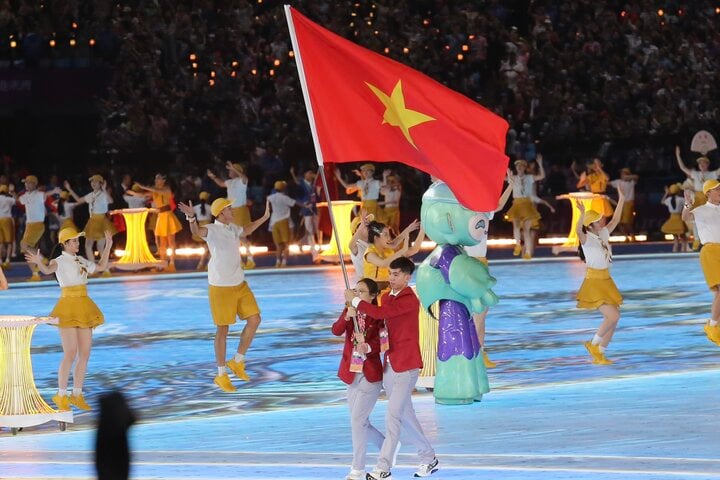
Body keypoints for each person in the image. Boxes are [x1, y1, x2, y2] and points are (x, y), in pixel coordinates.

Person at [345, 257, 439, 480]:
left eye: (397, 275)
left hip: (406, 366)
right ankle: (428, 458)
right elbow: (378, 323)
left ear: (407, 277)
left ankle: (383, 468)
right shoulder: (386, 296)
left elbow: (380, 314)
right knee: (406, 417)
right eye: (390, 273)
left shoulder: (409, 300)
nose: (392, 278)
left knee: (393, 416)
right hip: (389, 364)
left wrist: (357, 301)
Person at [177, 197, 270, 392]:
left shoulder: (232, 227)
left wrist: (264, 217)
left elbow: (247, 229)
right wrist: (191, 217)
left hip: (239, 283)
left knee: (255, 319)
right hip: (220, 286)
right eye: (229, 208)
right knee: (223, 330)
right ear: (220, 213)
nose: (232, 210)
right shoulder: (211, 230)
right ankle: (221, 374)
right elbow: (196, 232)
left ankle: (237, 361)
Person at [25, 227, 113, 411]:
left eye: (78, 241)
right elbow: (48, 270)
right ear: (65, 244)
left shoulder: (80, 260)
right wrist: (39, 262)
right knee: (70, 352)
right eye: (74, 241)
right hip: (67, 306)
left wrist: (108, 246)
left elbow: (101, 267)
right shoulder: (59, 261)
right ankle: (61, 394)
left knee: (85, 353)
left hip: (84, 304)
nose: (77, 244)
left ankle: (76, 394)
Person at [332, 278, 385, 480]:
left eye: (361, 291)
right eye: (355, 290)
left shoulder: (378, 316)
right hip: (351, 371)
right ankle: (386, 445)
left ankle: (358, 468)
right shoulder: (349, 312)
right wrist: (347, 317)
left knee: (357, 419)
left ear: (372, 296)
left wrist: (369, 347)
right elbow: (335, 330)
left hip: (370, 373)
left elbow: (384, 343)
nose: (356, 294)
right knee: (359, 421)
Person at [463, 180, 513, 368]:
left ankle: (479, 353)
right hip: (467, 265)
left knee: (482, 312)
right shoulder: (462, 213)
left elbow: (498, 205)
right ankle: (474, 353)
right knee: (474, 312)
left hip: (481, 264)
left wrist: (511, 186)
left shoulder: (484, 211)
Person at [576, 188, 626, 365]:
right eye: (598, 220)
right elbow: (578, 230)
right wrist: (582, 214)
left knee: (615, 317)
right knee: (613, 317)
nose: (602, 220)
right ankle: (593, 343)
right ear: (591, 225)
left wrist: (621, 199)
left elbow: (616, 219)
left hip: (606, 280)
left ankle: (600, 353)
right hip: (594, 282)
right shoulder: (587, 239)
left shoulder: (603, 233)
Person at [681, 180, 720, 346]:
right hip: (710, 251)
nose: (719, 191)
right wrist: (687, 203)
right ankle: (712, 326)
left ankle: (714, 326)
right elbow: (685, 217)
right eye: (717, 189)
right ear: (708, 193)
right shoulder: (702, 209)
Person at [207, 161, 256, 269]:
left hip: (241, 210)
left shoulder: (241, 181)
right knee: (234, 236)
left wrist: (234, 168)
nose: (229, 171)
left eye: (230, 170)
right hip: (231, 211)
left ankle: (250, 260)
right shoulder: (230, 182)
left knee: (241, 236)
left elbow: (245, 177)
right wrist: (213, 177)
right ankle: (241, 261)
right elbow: (221, 183)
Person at [133, 174, 182, 272]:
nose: (156, 180)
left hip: (168, 216)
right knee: (162, 242)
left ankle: (172, 263)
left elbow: (157, 191)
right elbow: (143, 195)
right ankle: (163, 264)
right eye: (155, 178)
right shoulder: (154, 190)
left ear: (163, 180)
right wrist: (131, 193)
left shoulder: (166, 188)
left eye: (158, 178)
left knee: (171, 241)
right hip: (161, 216)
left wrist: (143, 187)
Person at [676, 146, 720, 250]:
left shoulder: (712, 174)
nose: (702, 165)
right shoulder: (695, 174)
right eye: (700, 163)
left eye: (704, 163)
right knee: (695, 220)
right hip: (698, 198)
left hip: (709, 198)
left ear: (707, 164)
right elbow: (683, 168)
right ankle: (697, 239)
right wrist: (678, 155)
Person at [64, 175, 116, 264]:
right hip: (92, 221)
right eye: (92, 182)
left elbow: (111, 201)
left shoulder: (103, 194)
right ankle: (95, 268)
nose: (93, 183)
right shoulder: (90, 195)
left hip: (101, 221)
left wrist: (104, 189)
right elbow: (79, 200)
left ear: (101, 184)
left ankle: (105, 269)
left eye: (96, 182)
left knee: (100, 247)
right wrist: (70, 189)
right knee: (88, 246)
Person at [18, 175, 60, 281]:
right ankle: (35, 275)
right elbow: (19, 200)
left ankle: (43, 259)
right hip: (29, 226)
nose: (26, 184)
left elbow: (45, 194)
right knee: (28, 251)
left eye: (28, 182)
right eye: (25, 183)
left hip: (36, 225)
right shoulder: (26, 195)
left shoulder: (39, 194)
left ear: (34, 184)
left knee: (24, 245)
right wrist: (12, 193)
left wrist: (54, 190)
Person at [363, 220, 423, 291]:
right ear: (376, 238)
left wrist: (422, 231)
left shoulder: (388, 250)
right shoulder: (370, 253)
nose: (389, 238)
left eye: (389, 234)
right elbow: (383, 263)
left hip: (387, 289)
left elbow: (414, 249)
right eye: (385, 234)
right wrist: (402, 250)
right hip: (372, 290)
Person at [506, 156, 545, 259]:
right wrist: (506, 172)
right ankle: (518, 245)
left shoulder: (529, 177)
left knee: (526, 230)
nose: (519, 167)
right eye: (518, 166)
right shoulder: (513, 178)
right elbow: (500, 178)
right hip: (517, 204)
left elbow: (541, 176)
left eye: (521, 166)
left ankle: (527, 252)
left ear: (524, 167)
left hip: (527, 204)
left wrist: (540, 164)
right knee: (516, 226)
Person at [291, 167, 321, 262]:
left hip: (315, 208)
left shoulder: (315, 183)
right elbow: (297, 197)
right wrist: (303, 204)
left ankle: (302, 243)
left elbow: (317, 195)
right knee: (309, 230)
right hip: (306, 210)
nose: (310, 175)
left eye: (311, 173)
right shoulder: (300, 184)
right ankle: (314, 252)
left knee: (317, 228)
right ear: (304, 175)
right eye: (308, 173)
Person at [267, 180, 297, 268]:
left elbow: (267, 200)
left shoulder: (271, 197)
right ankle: (284, 262)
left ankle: (277, 262)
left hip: (274, 223)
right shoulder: (285, 198)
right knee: (287, 244)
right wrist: (305, 206)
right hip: (284, 222)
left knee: (278, 245)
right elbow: (295, 203)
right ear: (284, 189)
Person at [610, 168, 639, 240]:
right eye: (621, 173)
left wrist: (627, 177)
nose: (622, 175)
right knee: (619, 222)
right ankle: (626, 237)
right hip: (621, 203)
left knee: (626, 222)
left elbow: (636, 177)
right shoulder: (618, 182)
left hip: (629, 203)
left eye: (624, 173)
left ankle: (632, 236)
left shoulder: (631, 182)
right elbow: (607, 182)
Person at [661, 183, 688, 253]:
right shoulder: (681, 199)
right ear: (678, 191)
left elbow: (662, 202)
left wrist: (666, 193)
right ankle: (683, 253)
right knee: (684, 240)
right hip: (679, 219)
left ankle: (674, 253)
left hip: (672, 219)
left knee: (676, 241)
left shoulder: (669, 199)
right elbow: (688, 205)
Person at [192, 192, 213, 270]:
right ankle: (205, 264)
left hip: (200, 228)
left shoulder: (196, 207)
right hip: (208, 228)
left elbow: (190, 212)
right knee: (209, 247)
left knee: (207, 247)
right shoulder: (210, 207)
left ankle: (202, 264)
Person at [0, 184, 16, 268]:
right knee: (9, 242)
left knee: (1, 242)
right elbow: (16, 200)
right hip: (7, 219)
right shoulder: (9, 199)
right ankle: (7, 260)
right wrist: (12, 191)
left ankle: (0, 261)